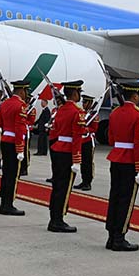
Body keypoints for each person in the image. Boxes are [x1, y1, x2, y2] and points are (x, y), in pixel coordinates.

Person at [104, 81, 139, 251]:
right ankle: (119, 237)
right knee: (125, 200)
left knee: (114, 197)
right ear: (136, 96)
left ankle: (111, 236)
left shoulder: (115, 113)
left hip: (116, 158)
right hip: (130, 161)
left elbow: (110, 139)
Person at [47, 80, 85, 232]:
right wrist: (77, 159)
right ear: (75, 94)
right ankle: (58, 220)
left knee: (57, 185)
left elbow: (54, 132)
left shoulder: (60, 109)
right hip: (68, 151)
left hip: (58, 149)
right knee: (64, 187)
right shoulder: (77, 111)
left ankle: (54, 217)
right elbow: (77, 137)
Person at [0, 80, 29, 215]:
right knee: (12, 174)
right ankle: (8, 204)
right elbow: (19, 128)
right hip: (14, 143)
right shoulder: (20, 106)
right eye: (26, 91)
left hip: (4, 139)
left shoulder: (4, 104)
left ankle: (3, 202)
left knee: (6, 173)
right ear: (21, 91)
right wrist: (20, 149)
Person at [74, 93, 98, 191]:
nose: (83, 104)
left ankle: (88, 182)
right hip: (82, 140)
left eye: (85, 102)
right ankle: (83, 180)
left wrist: (86, 129)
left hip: (89, 141)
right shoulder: (82, 113)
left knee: (88, 162)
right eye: (83, 102)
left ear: (90, 103)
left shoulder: (93, 115)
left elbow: (94, 128)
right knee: (82, 162)